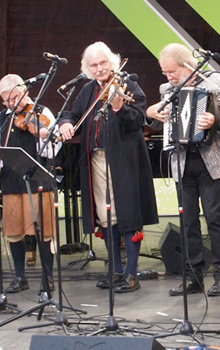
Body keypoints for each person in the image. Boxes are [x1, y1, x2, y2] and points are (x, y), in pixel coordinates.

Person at [59, 41, 158, 293]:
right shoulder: (88, 90)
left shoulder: (128, 85)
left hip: (123, 161)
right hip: (96, 160)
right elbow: (72, 114)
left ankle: (131, 273)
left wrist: (118, 108)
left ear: (112, 62)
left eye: (103, 62)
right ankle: (114, 270)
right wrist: (66, 124)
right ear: (88, 68)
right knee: (106, 216)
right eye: (94, 65)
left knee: (127, 214)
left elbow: (139, 120)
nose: (100, 68)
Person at [146, 43, 220, 297]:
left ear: (187, 65)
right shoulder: (167, 89)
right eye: (164, 72)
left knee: (214, 218)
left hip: (212, 160)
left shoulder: (216, 81)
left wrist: (215, 121)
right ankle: (193, 277)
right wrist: (153, 113)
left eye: (171, 71)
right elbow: (157, 122)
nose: (167, 77)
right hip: (182, 161)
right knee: (187, 221)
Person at [0, 74, 60, 293]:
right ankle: (19, 276)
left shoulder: (43, 113)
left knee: (44, 229)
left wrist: (40, 134)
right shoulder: (1, 118)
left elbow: (55, 147)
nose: (12, 104)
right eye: (7, 100)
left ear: (25, 91)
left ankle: (47, 277)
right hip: (11, 181)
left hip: (37, 181)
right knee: (13, 229)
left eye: (15, 98)